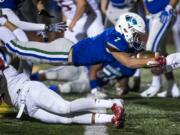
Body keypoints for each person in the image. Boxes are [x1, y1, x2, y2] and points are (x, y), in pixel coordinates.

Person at [0, 58, 124, 128]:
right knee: (67, 120)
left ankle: (113, 104)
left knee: (65, 107)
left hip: (30, 91)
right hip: (28, 109)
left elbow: (24, 54)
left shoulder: (5, 70)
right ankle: (111, 119)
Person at [140, 0, 179, 98]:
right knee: (160, 50)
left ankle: (156, 84)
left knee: (151, 49)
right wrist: (147, 12)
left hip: (163, 12)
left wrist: (169, 7)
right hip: (153, 14)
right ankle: (172, 87)